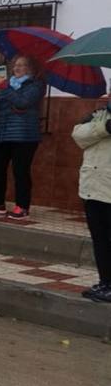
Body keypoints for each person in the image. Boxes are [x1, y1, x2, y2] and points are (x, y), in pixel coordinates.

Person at [0, 55, 45, 219]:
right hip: (1, 133)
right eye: (15, 65)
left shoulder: (36, 85)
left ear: (30, 69)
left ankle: (22, 206)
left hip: (24, 136)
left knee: (20, 171)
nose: (17, 68)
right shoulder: (6, 85)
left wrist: (5, 88)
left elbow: (22, 102)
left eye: (22, 65)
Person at [73, 102, 111, 302]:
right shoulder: (98, 114)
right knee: (100, 240)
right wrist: (105, 128)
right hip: (93, 189)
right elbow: (78, 135)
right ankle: (105, 282)